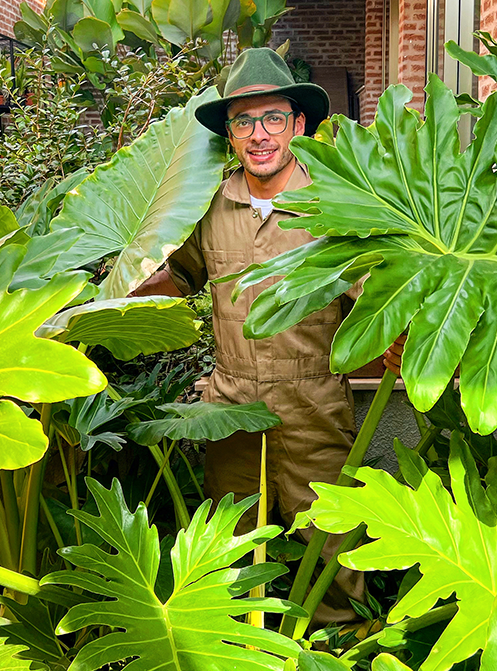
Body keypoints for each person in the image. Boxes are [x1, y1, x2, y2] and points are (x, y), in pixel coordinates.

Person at [133, 47, 365, 625]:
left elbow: (375, 297)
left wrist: (398, 343)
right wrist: (119, 297)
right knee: (231, 550)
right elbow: (181, 273)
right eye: (243, 121)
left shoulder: (332, 203)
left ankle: (341, 646)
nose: (259, 135)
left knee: (333, 550)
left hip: (313, 399)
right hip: (231, 399)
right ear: (230, 134)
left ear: (298, 125)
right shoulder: (210, 204)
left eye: (272, 119)